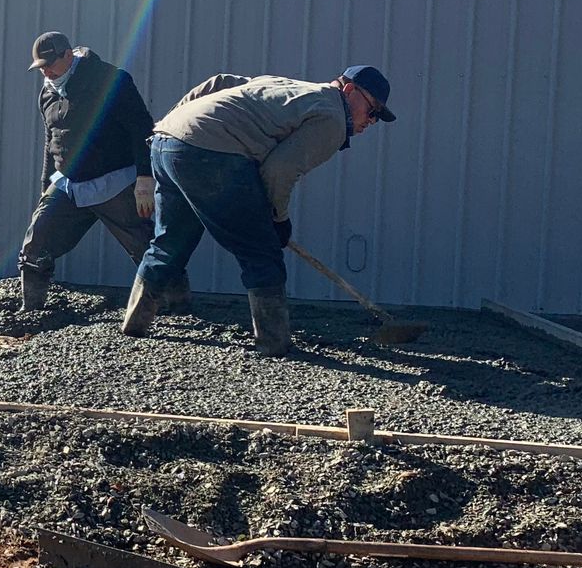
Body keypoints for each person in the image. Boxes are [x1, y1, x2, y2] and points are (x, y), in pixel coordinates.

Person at [121, 65, 396, 355]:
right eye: (372, 111)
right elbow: (278, 171)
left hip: (167, 141)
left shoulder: (286, 86)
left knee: (170, 241)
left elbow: (219, 82)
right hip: (209, 153)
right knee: (261, 252)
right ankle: (274, 342)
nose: (371, 121)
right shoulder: (333, 117)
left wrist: (174, 123)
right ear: (349, 90)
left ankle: (135, 322)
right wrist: (279, 219)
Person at [15, 30, 157, 312]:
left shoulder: (110, 80)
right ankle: (31, 308)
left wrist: (145, 178)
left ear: (68, 55)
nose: (46, 72)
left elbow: (141, 128)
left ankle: (173, 305)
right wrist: (45, 186)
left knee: (144, 246)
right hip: (68, 183)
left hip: (115, 181)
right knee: (37, 240)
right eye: (41, 67)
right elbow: (51, 140)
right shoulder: (47, 93)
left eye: (50, 65)